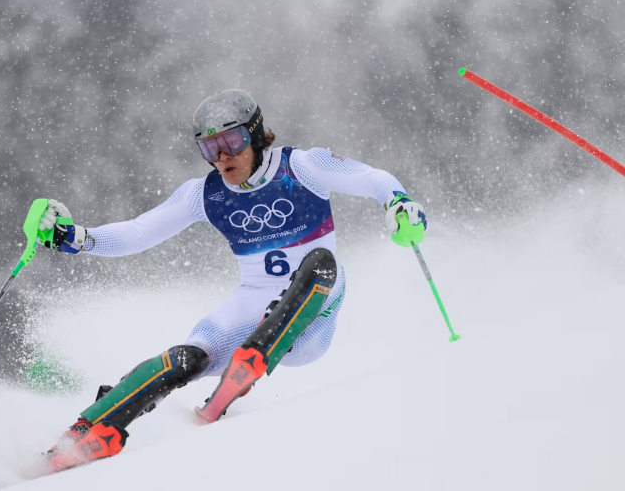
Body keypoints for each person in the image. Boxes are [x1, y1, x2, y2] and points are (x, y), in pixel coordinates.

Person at [35, 89, 427, 472]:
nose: (222, 157)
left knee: (323, 262)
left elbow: (369, 177)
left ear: (255, 135)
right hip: (254, 303)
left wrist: (398, 202)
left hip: (314, 313)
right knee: (188, 357)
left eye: (232, 142)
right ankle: (86, 430)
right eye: (210, 149)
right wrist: (75, 238)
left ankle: (254, 356)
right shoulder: (203, 194)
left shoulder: (302, 166)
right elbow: (139, 233)